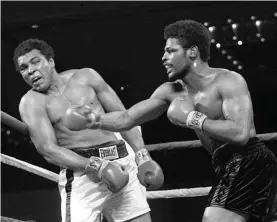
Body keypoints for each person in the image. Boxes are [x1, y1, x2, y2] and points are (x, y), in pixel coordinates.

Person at [86, 20, 277, 222]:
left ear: (192, 52)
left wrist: (191, 118)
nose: (164, 58)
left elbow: (240, 134)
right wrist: (93, 119)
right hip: (226, 164)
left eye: (170, 51)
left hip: (247, 160)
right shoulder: (170, 91)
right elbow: (127, 119)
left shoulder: (228, 81)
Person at [14, 38, 164, 222]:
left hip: (122, 162)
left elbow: (124, 117)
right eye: (24, 68)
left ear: (51, 61)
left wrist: (142, 156)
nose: (30, 71)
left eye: (35, 62)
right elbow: (48, 150)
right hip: (82, 174)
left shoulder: (86, 77)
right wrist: (96, 166)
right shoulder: (31, 103)